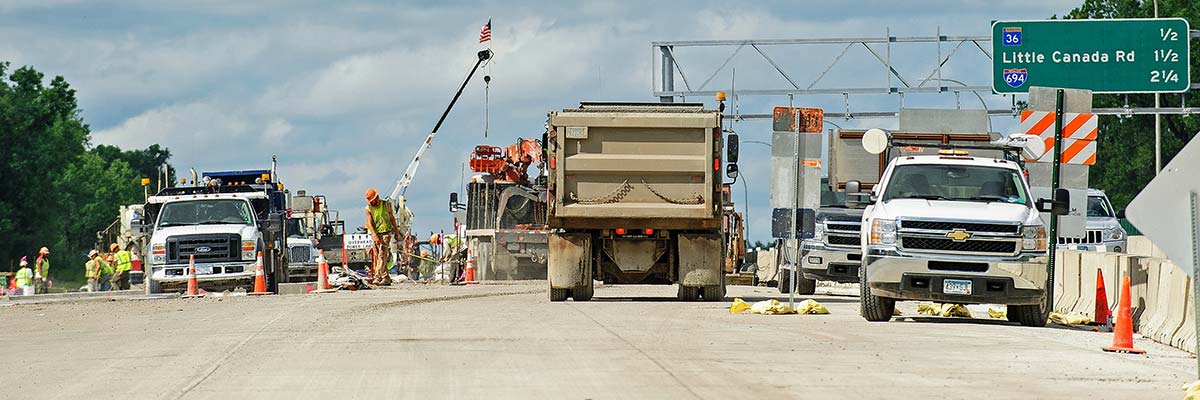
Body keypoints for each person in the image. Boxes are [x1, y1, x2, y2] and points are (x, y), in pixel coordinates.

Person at [364, 188, 399, 286]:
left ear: (376, 198)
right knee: (378, 256)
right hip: (375, 234)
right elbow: (370, 223)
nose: (371, 203)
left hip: (386, 233)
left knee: (382, 255)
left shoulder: (386, 205)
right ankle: (386, 278)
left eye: (372, 200)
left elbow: (392, 218)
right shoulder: (368, 209)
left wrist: (396, 231)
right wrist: (374, 235)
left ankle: (377, 276)